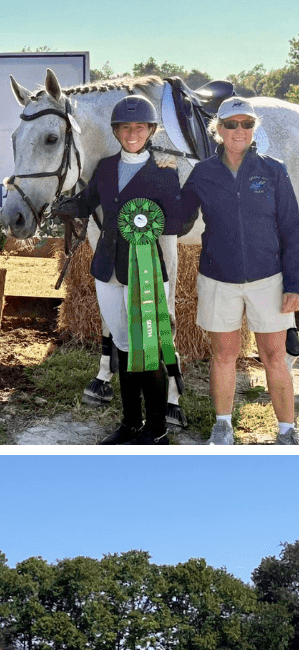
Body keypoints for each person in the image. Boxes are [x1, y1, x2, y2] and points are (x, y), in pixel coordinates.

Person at [53, 96, 186, 445]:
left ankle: (156, 429)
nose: (132, 133)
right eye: (125, 128)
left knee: (149, 348)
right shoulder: (107, 167)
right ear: (116, 131)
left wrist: (159, 216)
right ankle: (130, 424)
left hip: (143, 270)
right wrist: (64, 205)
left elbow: (178, 223)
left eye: (139, 127)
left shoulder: (164, 171)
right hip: (107, 268)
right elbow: (89, 200)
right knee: (124, 345)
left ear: (151, 130)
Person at [179, 97, 299, 445]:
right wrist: (161, 182)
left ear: (254, 128)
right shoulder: (203, 172)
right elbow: (180, 217)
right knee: (224, 355)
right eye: (231, 124)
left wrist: (294, 283)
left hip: (269, 280)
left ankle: (287, 431)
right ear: (218, 129)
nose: (239, 130)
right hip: (219, 279)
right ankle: (223, 426)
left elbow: (292, 228)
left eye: (246, 123)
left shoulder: (272, 169)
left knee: (275, 356)